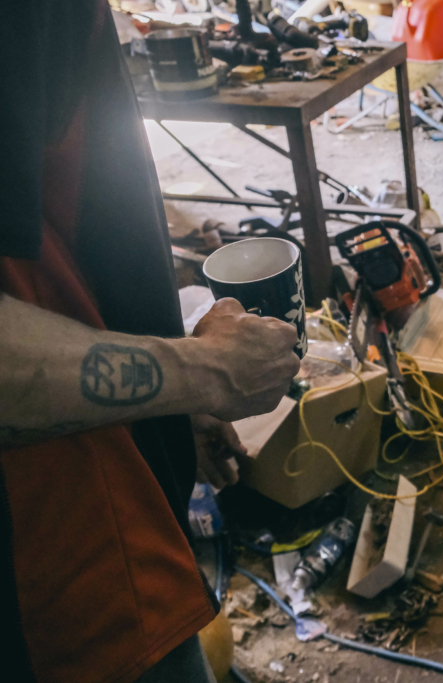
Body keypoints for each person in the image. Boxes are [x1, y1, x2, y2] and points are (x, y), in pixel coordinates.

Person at [0, 2, 299, 680]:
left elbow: (54, 251)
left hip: (104, 480)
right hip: (62, 568)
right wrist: (203, 371)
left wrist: (159, 402)